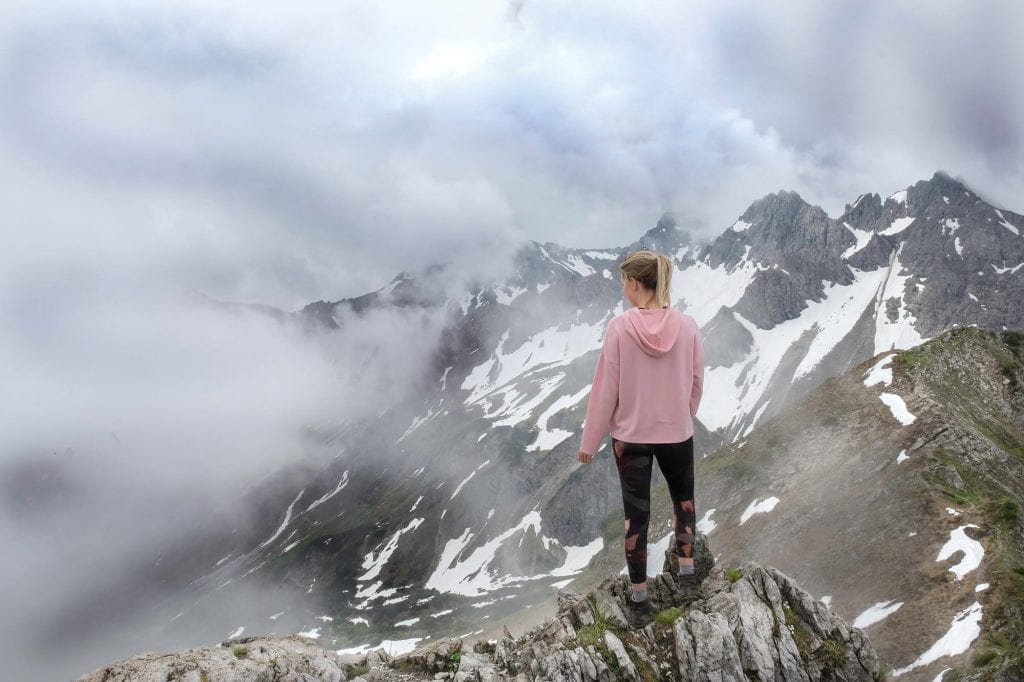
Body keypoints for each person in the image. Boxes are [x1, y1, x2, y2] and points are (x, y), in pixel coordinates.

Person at [577, 249, 705, 628]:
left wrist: (589, 442)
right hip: (676, 432)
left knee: (637, 518)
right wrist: (682, 414)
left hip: (630, 438)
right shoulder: (688, 325)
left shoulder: (619, 328)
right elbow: (697, 380)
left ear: (634, 283)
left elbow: (605, 390)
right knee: (684, 503)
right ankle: (687, 580)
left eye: (623, 283)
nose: (623, 290)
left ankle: (639, 603)